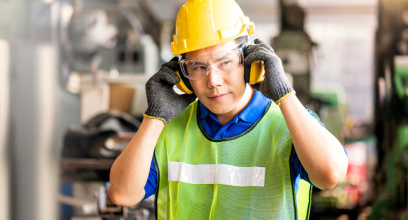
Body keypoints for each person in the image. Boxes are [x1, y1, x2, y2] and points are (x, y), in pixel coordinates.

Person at [109, 0, 348, 219]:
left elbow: (330, 175)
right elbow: (123, 194)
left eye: (225, 62)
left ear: (249, 62)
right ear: (182, 75)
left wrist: (285, 95)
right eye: (198, 67)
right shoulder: (168, 131)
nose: (213, 80)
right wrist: (154, 118)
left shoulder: (289, 125)